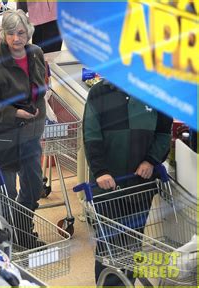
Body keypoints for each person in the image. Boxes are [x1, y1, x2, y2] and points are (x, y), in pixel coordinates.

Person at [83, 79, 173, 286]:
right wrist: (100, 171)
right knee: (109, 246)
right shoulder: (99, 92)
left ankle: (127, 283)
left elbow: (163, 133)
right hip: (107, 185)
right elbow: (91, 134)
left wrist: (151, 160)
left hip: (140, 185)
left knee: (132, 243)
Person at [0, 9, 46, 212]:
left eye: (21, 33)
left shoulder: (36, 54)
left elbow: (40, 89)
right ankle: (4, 235)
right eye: (11, 33)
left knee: (33, 187)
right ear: (3, 34)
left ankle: (23, 231)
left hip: (31, 135)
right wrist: (14, 113)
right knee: (7, 192)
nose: (16, 38)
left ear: (28, 33)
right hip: (5, 137)